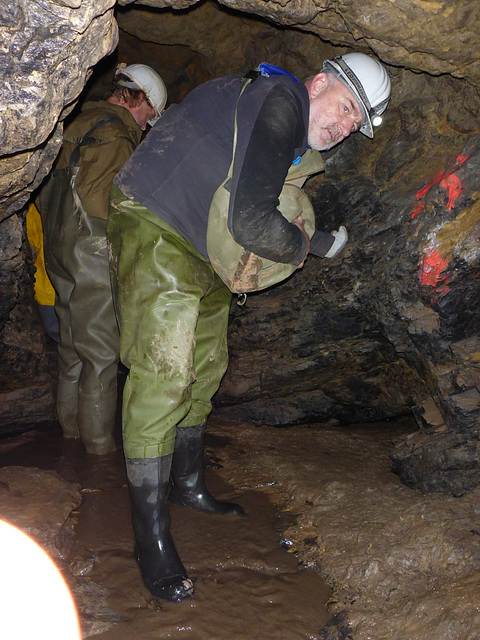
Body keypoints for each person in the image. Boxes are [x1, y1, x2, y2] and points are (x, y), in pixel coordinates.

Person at [107, 52, 391, 601]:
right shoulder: (281, 104)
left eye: (358, 123)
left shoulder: (293, 133)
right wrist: (308, 246)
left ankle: (188, 485)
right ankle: (150, 540)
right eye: (348, 106)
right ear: (320, 83)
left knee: (207, 366)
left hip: (201, 245)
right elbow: (252, 220)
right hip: (154, 216)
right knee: (164, 374)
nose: (346, 125)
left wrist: (313, 241)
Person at [40, 63, 168, 455]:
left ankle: (71, 440)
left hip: (58, 249)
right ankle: (98, 456)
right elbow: (123, 209)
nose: (147, 125)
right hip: (92, 250)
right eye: (150, 114)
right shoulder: (118, 137)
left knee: (72, 350)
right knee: (100, 355)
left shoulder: (75, 124)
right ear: (139, 99)